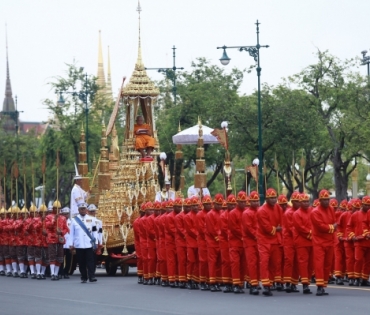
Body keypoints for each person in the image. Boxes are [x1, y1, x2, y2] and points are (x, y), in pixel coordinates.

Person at [257, 188, 283, 296]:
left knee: (274, 263)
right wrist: (276, 229)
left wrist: (278, 229)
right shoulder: (262, 211)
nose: (273, 200)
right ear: (266, 199)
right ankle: (266, 285)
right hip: (264, 240)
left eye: (275, 198)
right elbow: (266, 228)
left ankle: (270, 282)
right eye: (271, 198)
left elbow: (281, 223)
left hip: (275, 240)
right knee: (264, 262)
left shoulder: (278, 208)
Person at [310, 189, 336, 296]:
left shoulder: (330, 209)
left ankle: (324, 285)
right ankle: (319, 286)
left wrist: (332, 228)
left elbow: (334, 222)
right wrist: (332, 228)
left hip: (329, 241)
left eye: (328, 199)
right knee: (319, 264)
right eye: (324, 200)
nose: (326, 202)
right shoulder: (315, 212)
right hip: (319, 242)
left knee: (327, 264)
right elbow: (321, 226)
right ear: (319, 200)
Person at [69, 202, 98, 283]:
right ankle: (84, 277)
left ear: (86, 210)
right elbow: (71, 233)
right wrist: (71, 244)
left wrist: (96, 242)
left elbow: (94, 231)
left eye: (84, 209)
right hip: (79, 244)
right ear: (78, 210)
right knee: (81, 262)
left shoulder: (91, 219)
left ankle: (91, 276)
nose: (83, 210)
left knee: (90, 261)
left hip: (89, 244)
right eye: (81, 209)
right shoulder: (74, 220)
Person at [292, 193, 313, 294]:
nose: (306, 203)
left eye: (307, 201)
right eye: (304, 202)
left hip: (312, 241)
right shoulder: (296, 214)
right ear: (300, 203)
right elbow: (300, 228)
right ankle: (304, 284)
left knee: (310, 264)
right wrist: (311, 234)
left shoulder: (312, 211)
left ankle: (307, 281)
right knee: (303, 263)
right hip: (301, 242)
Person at [228, 191, 247, 294]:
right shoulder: (233, 213)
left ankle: (240, 283)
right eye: (241, 201)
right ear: (237, 202)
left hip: (244, 243)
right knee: (235, 263)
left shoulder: (246, 212)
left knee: (243, 264)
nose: (243, 203)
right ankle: (235, 284)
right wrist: (243, 235)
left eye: (244, 201)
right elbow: (234, 229)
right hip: (235, 242)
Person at [242, 191, 260, 295]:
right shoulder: (247, 213)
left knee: (258, 263)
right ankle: (253, 285)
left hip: (259, 241)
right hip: (250, 241)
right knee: (252, 263)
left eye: (257, 200)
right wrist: (257, 235)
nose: (256, 202)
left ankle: (256, 282)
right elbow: (248, 228)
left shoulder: (260, 211)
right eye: (254, 201)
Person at [45, 200, 69, 281]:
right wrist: (54, 220)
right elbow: (48, 226)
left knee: (59, 256)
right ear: (53, 208)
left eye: (59, 208)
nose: (57, 210)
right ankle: (52, 273)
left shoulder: (63, 218)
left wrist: (61, 232)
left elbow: (66, 229)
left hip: (60, 239)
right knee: (52, 255)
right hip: (52, 238)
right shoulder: (48, 217)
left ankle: (56, 273)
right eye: (56, 208)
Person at [205, 193, 223, 292]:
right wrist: (218, 237)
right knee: (212, 262)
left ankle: (218, 280)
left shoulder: (221, 213)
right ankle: (212, 282)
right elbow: (211, 229)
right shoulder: (210, 214)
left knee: (219, 262)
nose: (219, 206)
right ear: (214, 204)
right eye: (218, 204)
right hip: (212, 242)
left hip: (220, 242)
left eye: (220, 204)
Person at [60, 207, 72, 279]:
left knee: (69, 259)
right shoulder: (59, 222)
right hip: (61, 242)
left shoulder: (72, 222)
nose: (66, 215)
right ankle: (60, 272)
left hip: (69, 243)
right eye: (64, 214)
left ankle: (66, 272)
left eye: (67, 214)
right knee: (60, 258)